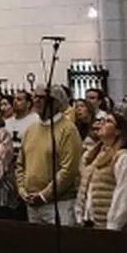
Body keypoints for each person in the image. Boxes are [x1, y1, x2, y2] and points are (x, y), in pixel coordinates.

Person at [15, 87, 82, 225]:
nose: (36, 101)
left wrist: (44, 195)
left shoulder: (68, 129)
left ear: (56, 102)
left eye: (42, 98)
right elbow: (20, 164)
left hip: (59, 204)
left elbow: (68, 170)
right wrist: (22, 190)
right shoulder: (31, 129)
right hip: (32, 203)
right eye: (35, 97)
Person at [75, 109, 127, 231]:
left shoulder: (124, 159)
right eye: (101, 121)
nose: (101, 124)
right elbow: (86, 189)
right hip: (92, 223)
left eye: (108, 121)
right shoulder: (94, 155)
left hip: (114, 228)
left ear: (118, 131)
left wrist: (113, 226)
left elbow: (124, 197)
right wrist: (81, 215)